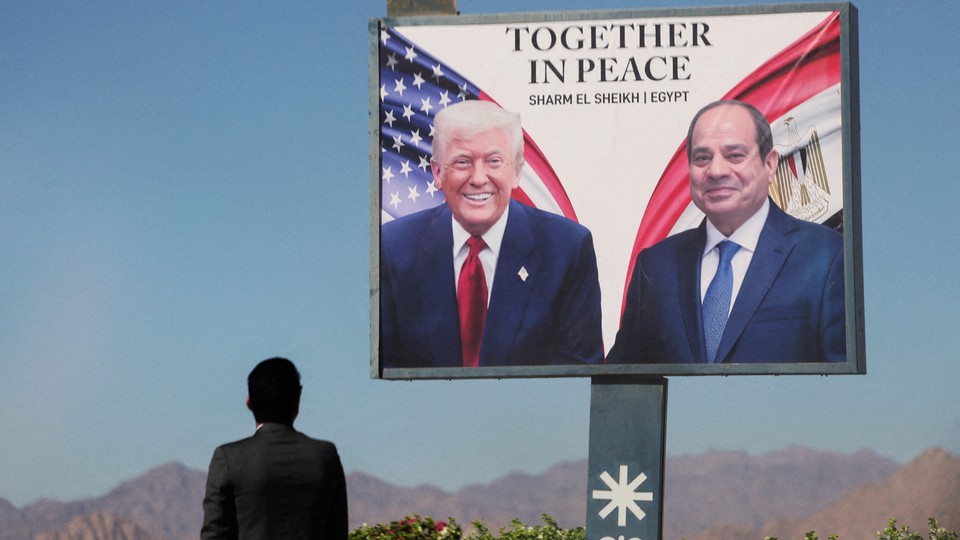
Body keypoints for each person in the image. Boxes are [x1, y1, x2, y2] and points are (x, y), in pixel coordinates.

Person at [607, 99, 845, 364]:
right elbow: (622, 382)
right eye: (702, 158)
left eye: (734, 155)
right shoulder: (656, 265)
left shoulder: (828, 256)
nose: (716, 170)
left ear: (770, 164)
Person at [380, 100, 603, 368]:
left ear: (517, 172)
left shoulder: (567, 249)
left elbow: (580, 377)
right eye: (462, 162)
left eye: (494, 161)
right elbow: (385, 372)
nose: (478, 178)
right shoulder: (393, 247)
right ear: (438, 173)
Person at [201, 357, 348, 539]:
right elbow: (337, 532)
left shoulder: (229, 458)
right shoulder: (325, 457)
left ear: (249, 403)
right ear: (297, 401)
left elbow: (215, 534)